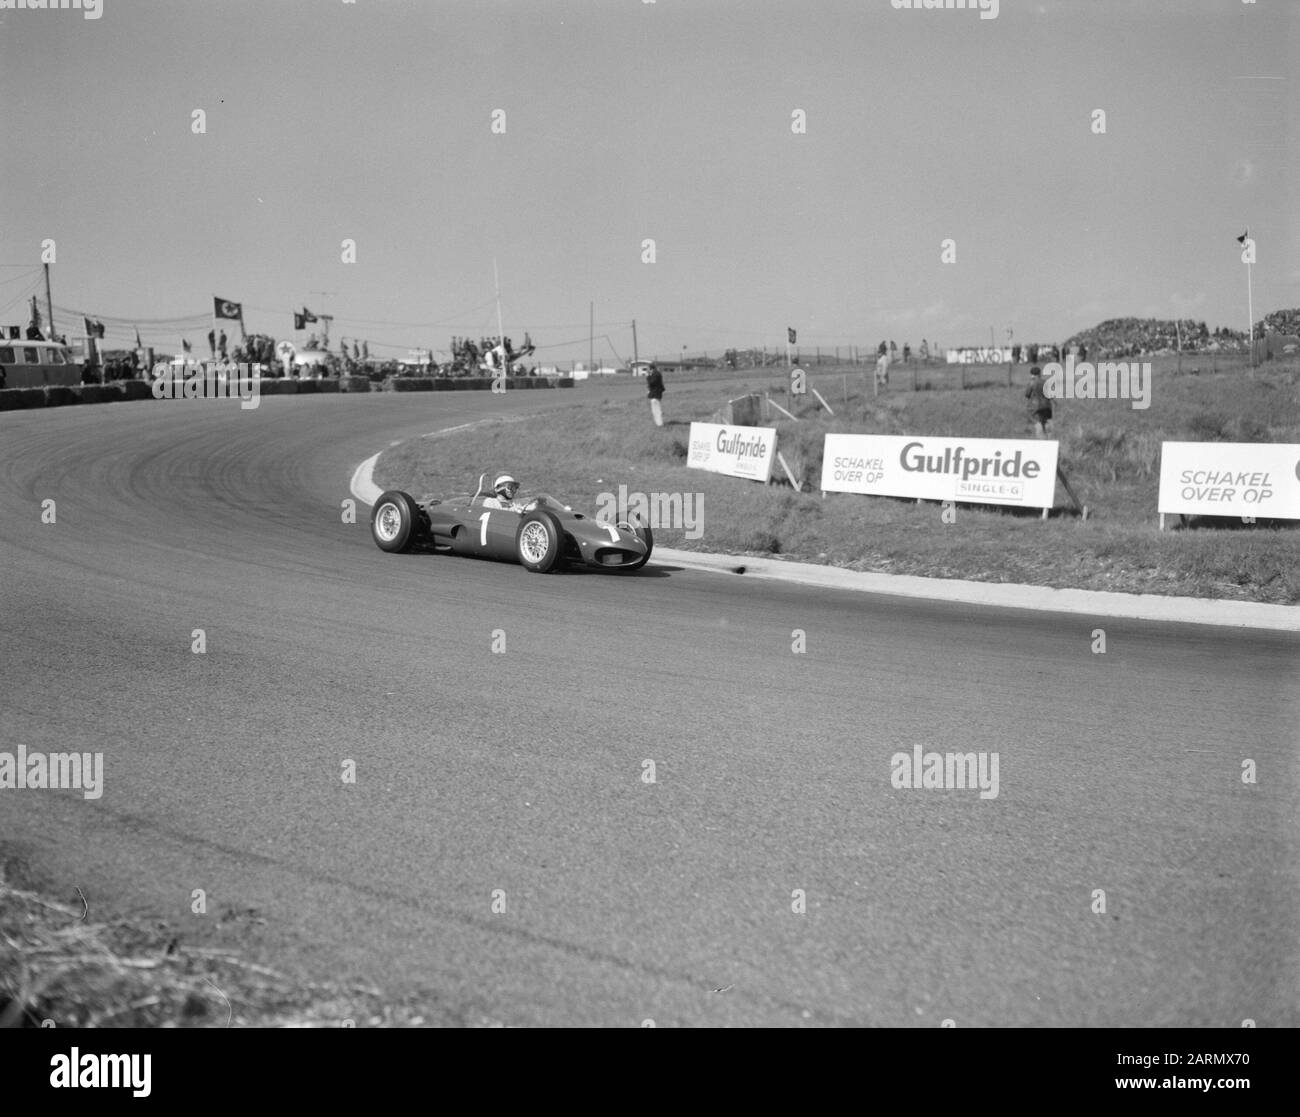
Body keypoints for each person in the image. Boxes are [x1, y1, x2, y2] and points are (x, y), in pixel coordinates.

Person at [1025, 365, 1052, 437]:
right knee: (1046, 423)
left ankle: (1041, 440)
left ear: (1031, 374)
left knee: (1038, 423)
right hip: (1047, 406)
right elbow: (1050, 395)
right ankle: (1049, 439)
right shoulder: (1045, 382)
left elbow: (1027, 394)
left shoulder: (1031, 383)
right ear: (1040, 373)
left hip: (1036, 407)